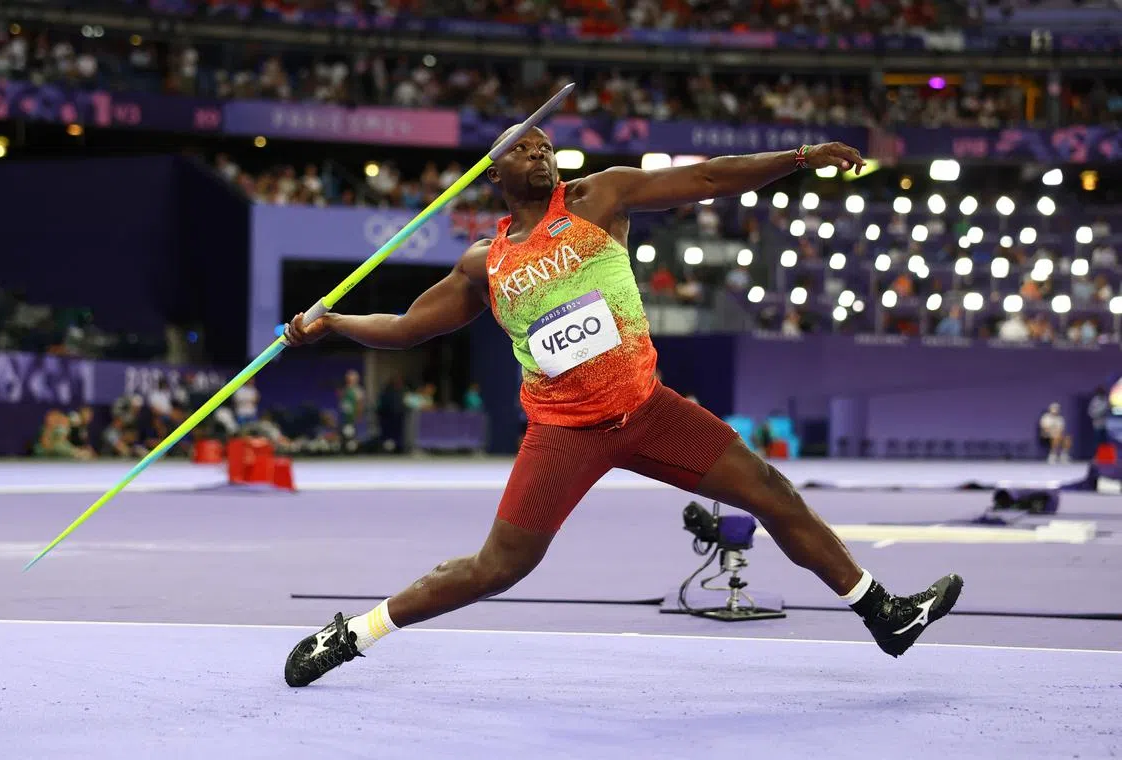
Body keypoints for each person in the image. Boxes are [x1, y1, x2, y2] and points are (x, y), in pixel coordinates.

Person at [280, 129, 963, 687]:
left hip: (649, 410)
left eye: (547, 145)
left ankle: (884, 613)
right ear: (493, 176)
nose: (540, 152)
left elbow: (709, 179)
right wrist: (334, 322)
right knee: (498, 569)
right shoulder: (482, 264)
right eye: (523, 148)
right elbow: (408, 328)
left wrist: (799, 158)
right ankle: (355, 634)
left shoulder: (598, 197)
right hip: (563, 432)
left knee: (773, 493)